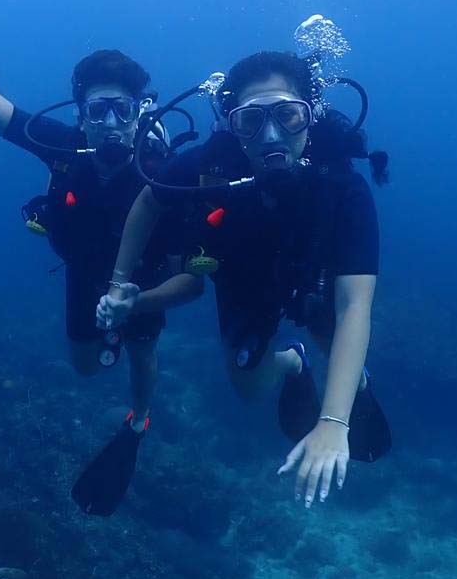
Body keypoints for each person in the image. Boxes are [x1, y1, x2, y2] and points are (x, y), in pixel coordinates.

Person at [0, 0, 202, 513]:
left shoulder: (163, 172)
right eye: (96, 110)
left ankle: (139, 419)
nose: (109, 122)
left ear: (139, 113)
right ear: (81, 116)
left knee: (142, 353)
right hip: (83, 269)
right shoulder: (61, 145)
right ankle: (110, 339)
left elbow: (190, 281)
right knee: (84, 367)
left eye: (121, 109)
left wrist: (136, 304)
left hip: (143, 284)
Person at [99, 48, 390, 509]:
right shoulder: (208, 165)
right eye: (250, 121)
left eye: (288, 115)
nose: (271, 135)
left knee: (344, 367)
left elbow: (355, 304)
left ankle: (352, 383)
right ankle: (294, 363)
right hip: (244, 279)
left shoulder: (342, 186)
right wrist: (118, 283)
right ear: (231, 124)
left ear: (309, 117)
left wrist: (334, 424)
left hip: (314, 281)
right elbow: (149, 203)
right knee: (249, 388)